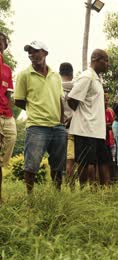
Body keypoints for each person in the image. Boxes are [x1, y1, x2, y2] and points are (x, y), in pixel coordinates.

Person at [15, 41, 66, 194]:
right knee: (31, 165)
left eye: (35, 51)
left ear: (45, 53)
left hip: (57, 126)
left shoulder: (55, 76)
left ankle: (57, 193)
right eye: (29, 52)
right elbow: (18, 100)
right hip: (36, 126)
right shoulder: (24, 74)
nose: (31, 54)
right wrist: (36, 110)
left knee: (58, 165)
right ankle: (29, 197)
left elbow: (60, 99)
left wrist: (62, 121)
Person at [67, 49, 112, 188]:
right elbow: (72, 98)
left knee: (104, 161)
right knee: (85, 162)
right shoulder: (87, 76)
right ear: (95, 60)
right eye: (105, 60)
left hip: (98, 130)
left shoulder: (97, 79)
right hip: (85, 129)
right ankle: (83, 190)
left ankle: (106, 191)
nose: (108, 64)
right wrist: (81, 116)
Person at [0, 32, 16, 201]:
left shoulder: (7, 69)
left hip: (7, 115)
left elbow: (9, 94)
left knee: (3, 159)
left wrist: (9, 112)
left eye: (1, 42)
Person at [59, 62, 75, 188]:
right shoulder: (77, 87)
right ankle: (73, 188)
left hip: (59, 127)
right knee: (73, 161)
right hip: (75, 128)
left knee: (61, 161)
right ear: (72, 73)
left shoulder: (56, 87)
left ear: (60, 73)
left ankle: (63, 187)